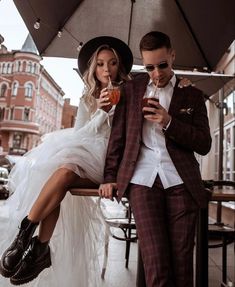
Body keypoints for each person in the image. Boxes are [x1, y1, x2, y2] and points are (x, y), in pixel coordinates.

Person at [0, 36, 133, 287]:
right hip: (84, 154)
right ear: (94, 68)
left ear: (120, 66)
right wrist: (101, 112)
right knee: (56, 173)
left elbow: (128, 135)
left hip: (112, 162)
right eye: (101, 64)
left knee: (61, 172)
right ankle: (34, 244)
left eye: (113, 63)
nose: (107, 69)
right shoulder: (87, 98)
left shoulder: (129, 93)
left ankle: (33, 242)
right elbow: (81, 134)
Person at [99, 31, 212, 287]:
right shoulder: (131, 89)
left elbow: (205, 144)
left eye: (163, 65)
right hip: (142, 182)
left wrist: (169, 122)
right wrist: (109, 177)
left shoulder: (191, 95)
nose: (157, 73)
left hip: (181, 183)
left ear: (172, 56)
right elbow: (117, 138)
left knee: (183, 269)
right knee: (157, 266)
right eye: (150, 67)